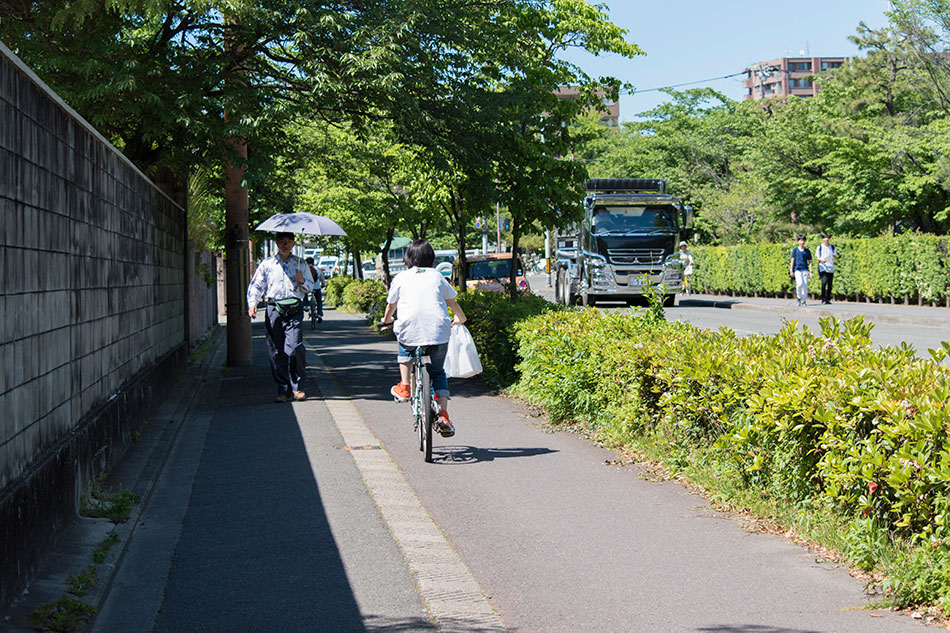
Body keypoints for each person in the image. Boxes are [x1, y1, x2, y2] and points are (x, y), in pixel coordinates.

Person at [381, 239, 467, 437]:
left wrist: (386, 320)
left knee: (405, 349)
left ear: (408, 258)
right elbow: (451, 302)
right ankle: (444, 415)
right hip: (438, 331)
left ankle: (404, 386)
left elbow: (391, 305)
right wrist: (461, 319)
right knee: (437, 373)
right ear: (431, 257)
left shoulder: (401, 278)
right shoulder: (437, 276)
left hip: (409, 330)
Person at [246, 232, 314, 402]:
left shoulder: (301, 263)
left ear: (293, 244)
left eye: (288, 242)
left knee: (295, 347)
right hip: (273, 308)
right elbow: (256, 284)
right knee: (276, 350)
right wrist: (252, 303)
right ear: (276, 243)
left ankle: (298, 387)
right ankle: (283, 389)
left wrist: (302, 281)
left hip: (294, 308)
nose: (285, 245)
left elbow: (310, 287)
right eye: (282, 242)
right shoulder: (267, 264)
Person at [789, 234, 813, 307]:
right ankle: (799, 297)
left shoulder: (807, 251)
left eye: (803, 240)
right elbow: (792, 260)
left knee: (805, 285)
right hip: (797, 269)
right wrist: (791, 270)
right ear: (798, 241)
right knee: (799, 284)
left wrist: (811, 272)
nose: (802, 242)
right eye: (800, 240)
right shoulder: (795, 250)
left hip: (805, 270)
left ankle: (803, 300)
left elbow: (810, 262)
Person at [816, 232, 838, 305]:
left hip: (830, 267)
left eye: (827, 238)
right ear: (822, 239)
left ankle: (828, 298)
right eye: (825, 238)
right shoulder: (820, 247)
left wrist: (834, 257)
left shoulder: (832, 247)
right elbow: (817, 257)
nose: (826, 239)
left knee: (830, 284)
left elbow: (835, 256)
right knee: (824, 282)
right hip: (823, 266)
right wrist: (822, 260)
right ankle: (823, 298)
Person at [305, 256, 325, 322]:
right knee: (319, 300)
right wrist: (323, 284)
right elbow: (322, 278)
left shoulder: (304, 268)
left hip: (307, 287)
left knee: (305, 294)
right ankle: (319, 314)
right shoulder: (317, 269)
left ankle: (306, 305)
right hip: (316, 287)